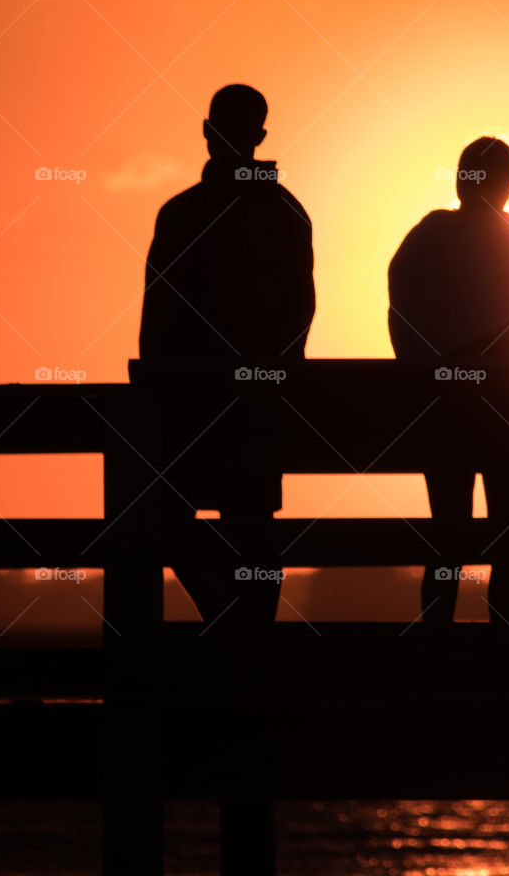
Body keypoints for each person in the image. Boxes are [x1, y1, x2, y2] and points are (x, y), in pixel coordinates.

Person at [138, 84, 315, 622]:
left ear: (207, 131)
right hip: (260, 409)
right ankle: (245, 637)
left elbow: (156, 321)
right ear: (260, 137)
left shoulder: (181, 214)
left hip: (187, 408)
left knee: (169, 521)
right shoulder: (287, 215)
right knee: (255, 532)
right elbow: (299, 317)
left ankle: (227, 627)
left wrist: (155, 393)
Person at [388, 137, 509, 628]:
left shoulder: (425, 236)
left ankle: (437, 645)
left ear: (461, 179)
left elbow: (402, 326)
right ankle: (504, 649)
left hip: (443, 411)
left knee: (446, 536)